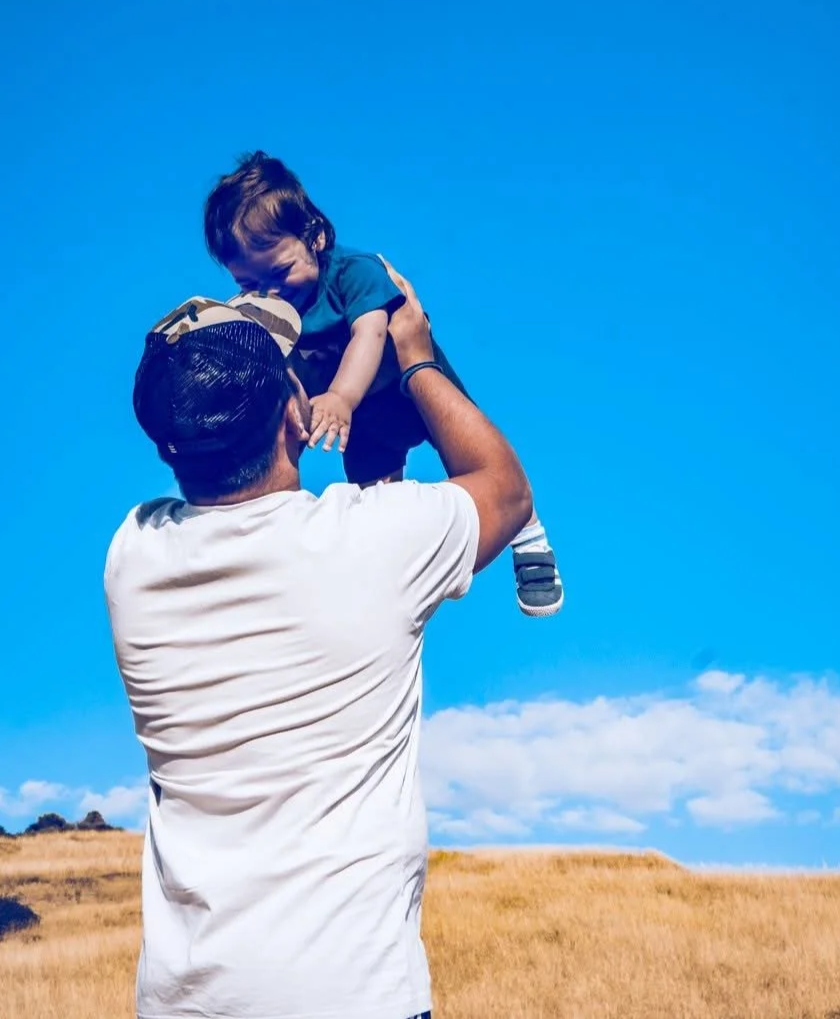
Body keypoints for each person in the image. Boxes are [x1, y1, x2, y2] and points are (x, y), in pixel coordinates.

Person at [105, 268, 533, 1019]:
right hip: (351, 994)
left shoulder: (135, 554)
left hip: (183, 1002)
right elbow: (503, 488)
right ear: (295, 415)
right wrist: (416, 351)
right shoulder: (372, 541)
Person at [202, 151, 563, 618]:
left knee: (475, 462)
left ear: (316, 236)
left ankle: (527, 528)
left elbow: (369, 333)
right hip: (364, 422)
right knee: (376, 504)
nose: (270, 292)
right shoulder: (265, 309)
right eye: (249, 282)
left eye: (279, 273)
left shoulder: (353, 272)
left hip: (410, 386)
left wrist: (341, 396)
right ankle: (407, 584)